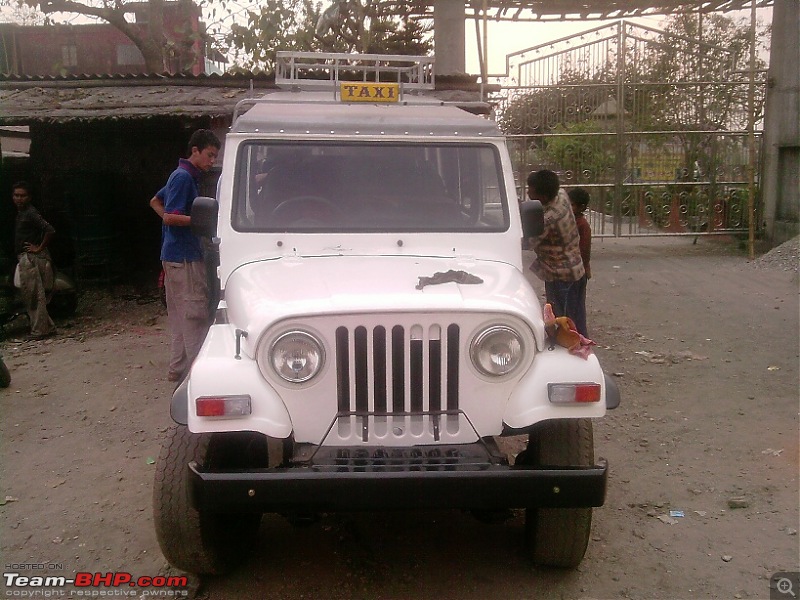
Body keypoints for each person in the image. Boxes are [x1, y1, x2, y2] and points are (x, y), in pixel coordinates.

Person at [150, 129, 220, 382]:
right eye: (210, 155)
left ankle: (176, 369)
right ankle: (199, 377)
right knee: (194, 316)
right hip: (185, 257)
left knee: (180, 317)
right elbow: (170, 214)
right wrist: (201, 222)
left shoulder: (183, 176)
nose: (212, 161)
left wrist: (169, 228)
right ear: (195, 151)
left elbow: (155, 202)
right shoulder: (182, 178)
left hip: (173, 254)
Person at [526, 170, 587, 337]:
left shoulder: (548, 219)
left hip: (561, 276)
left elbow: (528, 243)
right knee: (576, 320)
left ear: (543, 197)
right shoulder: (561, 194)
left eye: (530, 190)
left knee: (562, 324)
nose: (527, 192)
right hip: (576, 270)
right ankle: (579, 349)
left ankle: (567, 353)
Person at [12, 181, 56, 340]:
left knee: (34, 295)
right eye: (16, 195)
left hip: (31, 258)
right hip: (26, 257)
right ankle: (48, 327)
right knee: (32, 293)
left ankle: (39, 331)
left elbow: (50, 230)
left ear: (29, 197)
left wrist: (38, 248)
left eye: (22, 195)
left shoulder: (30, 213)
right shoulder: (22, 213)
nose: (19, 198)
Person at [568, 187, 592, 335]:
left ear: (581, 207)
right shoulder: (571, 221)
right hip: (573, 270)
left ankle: (578, 334)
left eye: (572, 204)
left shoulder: (582, 225)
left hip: (578, 271)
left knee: (575, 306)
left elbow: (584, 250)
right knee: (571, 305)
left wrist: (585, 268)